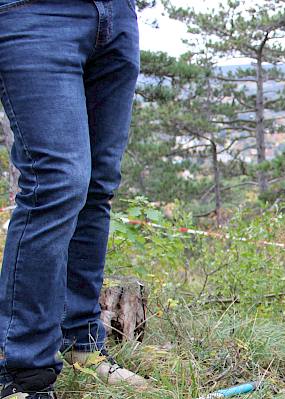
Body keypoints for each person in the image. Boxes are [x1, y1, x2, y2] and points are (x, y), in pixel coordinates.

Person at [0, 0, 146, 397]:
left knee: (97, 187)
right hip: (34, 11)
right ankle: (23, 371)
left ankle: (82, 344)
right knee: (57, 183)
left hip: (116, 16)